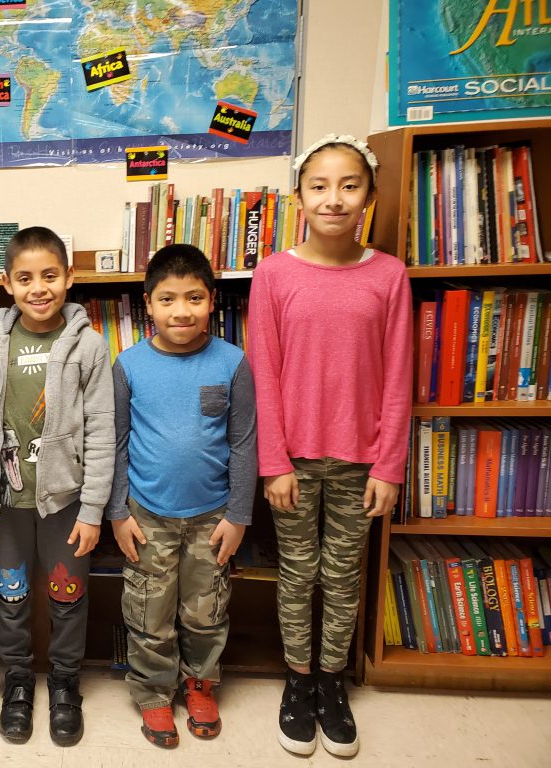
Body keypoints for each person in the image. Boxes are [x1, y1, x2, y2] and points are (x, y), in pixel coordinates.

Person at [246, 134, 412, 758]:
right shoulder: (275, 274)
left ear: (369, 196)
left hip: (362, 461)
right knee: (298, 573)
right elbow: (264, 373)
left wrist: (390, 464)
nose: (334, 199)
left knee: (343, 578)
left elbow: (398, 376)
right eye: (319, 186)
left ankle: (331, 681)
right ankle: (297, 678)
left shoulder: (389, 275)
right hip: (292, 461)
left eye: (349, 186)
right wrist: (273, 462)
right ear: (299, 197)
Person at [106, 244, 257, 748]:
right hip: (146, 516)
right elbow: (118, 443)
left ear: (212, 301)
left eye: (194, 298)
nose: (181, 310)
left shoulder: (232, 363)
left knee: (206, 610)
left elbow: (242, 442)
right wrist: (117, 513)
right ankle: (152, 693)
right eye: (167, 299)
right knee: (149, 611)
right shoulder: (127, 366)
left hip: (212, 517)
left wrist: (238, 516)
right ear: (147, 305)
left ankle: (200, 682)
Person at [0, 226, 115, 747]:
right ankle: (16, 680)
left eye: (50, 275)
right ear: (6, 282)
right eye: (25, 277)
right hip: (5, 501)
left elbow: (101, 429)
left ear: (70, 277)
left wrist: (94, 508)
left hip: (66, 503)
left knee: (67, 594)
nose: (39, 288)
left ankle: (64, 682)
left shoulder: (90, 345)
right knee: (10, 593)